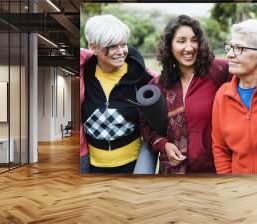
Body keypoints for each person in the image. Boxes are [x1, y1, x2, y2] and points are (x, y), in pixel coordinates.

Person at [142, 15, 230, 174]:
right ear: (169, 46)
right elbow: (145, 124)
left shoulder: (218, 72)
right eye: (181, 41)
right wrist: (164, 145)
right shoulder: (158, 85)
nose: (189, 48)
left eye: (194, 40)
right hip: (172, 172)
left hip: (212, 170)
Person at [80, 15, 154, 174]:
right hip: (92, 167)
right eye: (113, 46)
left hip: (132, 166)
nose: (121, 52)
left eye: (124, 44)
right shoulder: (83, 75)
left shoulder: (141, 77)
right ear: (93, 47)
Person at [212, 19, 257, 174]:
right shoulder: (222, 95)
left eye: (240, 48)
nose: (230, 54)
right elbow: (220, 149)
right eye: (230, 47)